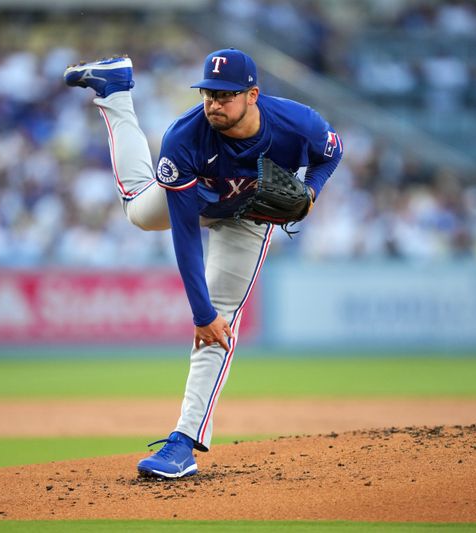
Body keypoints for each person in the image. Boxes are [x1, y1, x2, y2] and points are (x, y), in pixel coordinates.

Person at [64, 49, 342, 479]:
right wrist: (200, 314)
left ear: (253, 94)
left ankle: (182, 444)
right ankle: (116, 91)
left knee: (222, 321)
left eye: (226, 95)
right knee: (139, 214)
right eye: (209, 93)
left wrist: (311, 192)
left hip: (249, 217)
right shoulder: (185, 137)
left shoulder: (297, 123)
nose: (214, 103)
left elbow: (331, 153)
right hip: (196, 201)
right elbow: (186, 234)